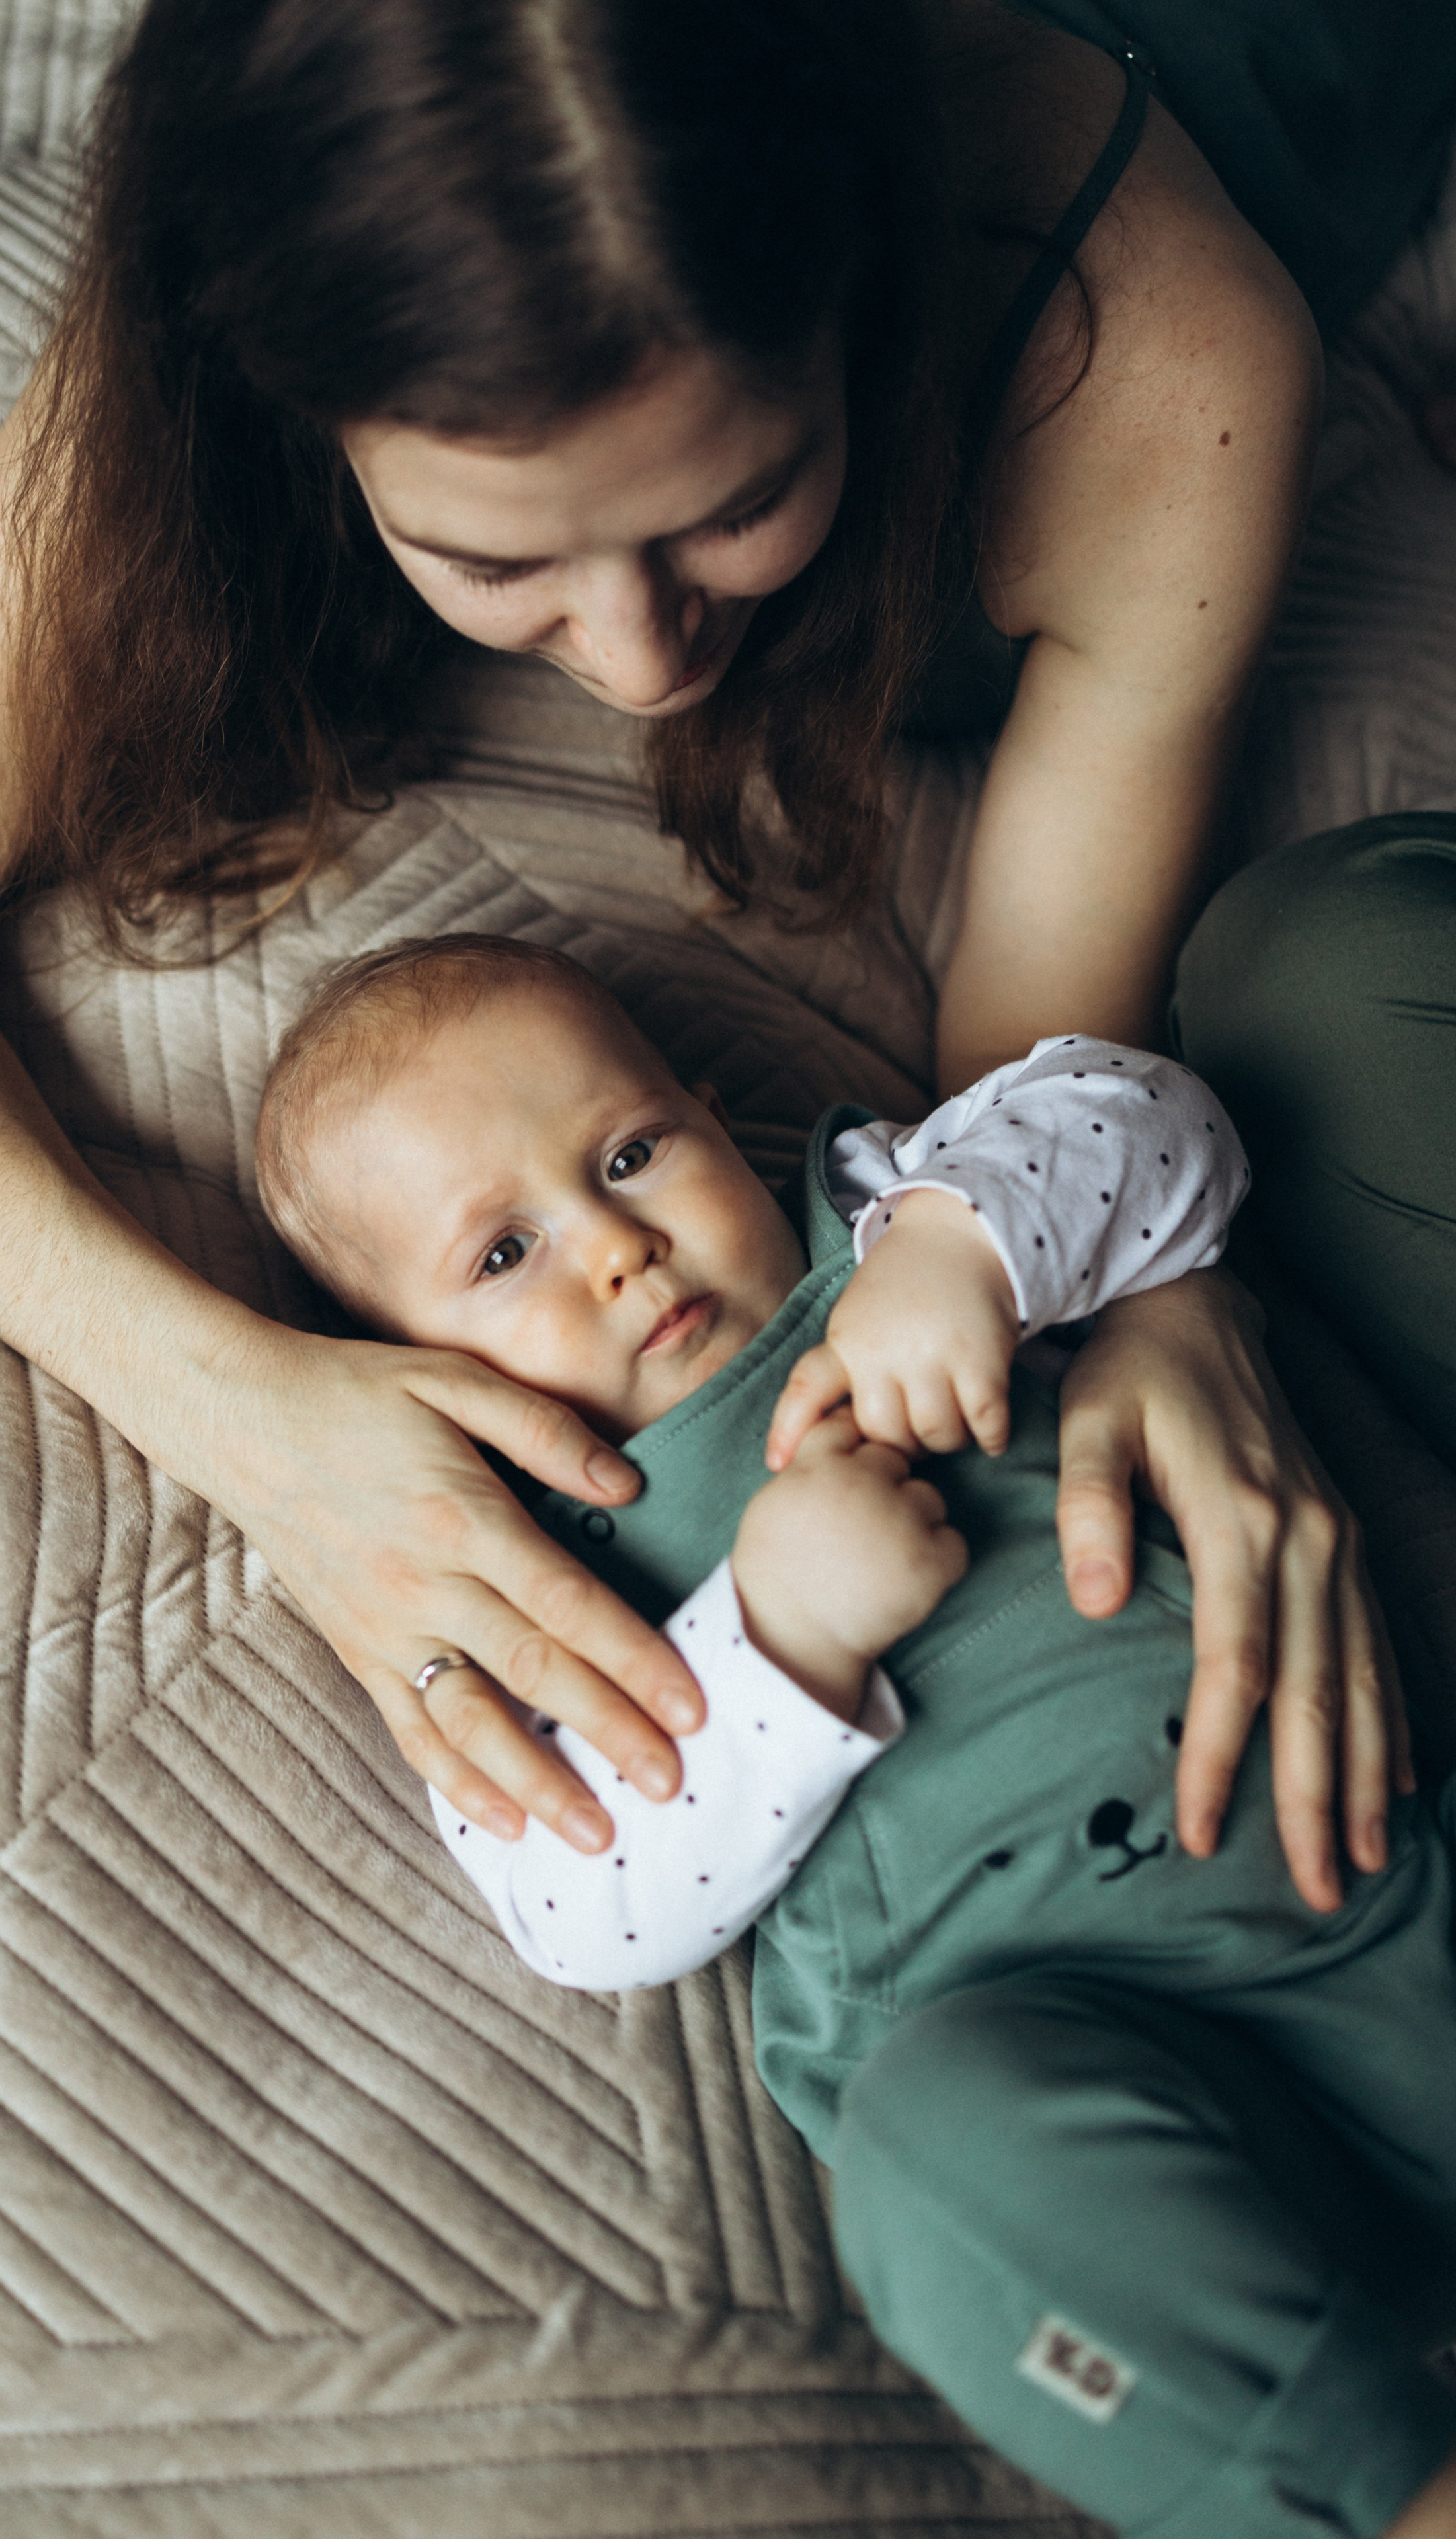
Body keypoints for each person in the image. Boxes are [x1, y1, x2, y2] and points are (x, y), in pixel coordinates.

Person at [0, 0, 1450, 1896]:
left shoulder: (1151, 352)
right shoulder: (316, 220)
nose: (643, 664)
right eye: (495, 561)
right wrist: (243, 1415)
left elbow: (1031, 1068)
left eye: (737, 505)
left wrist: (1153, 1279)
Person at [251, 931, 1456, 2539]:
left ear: (712, 1114)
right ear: (407, 1364)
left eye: (629, 1153)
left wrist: (959, 1249)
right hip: (1085, 2068)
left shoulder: (890, 1202)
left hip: (1388, 1885)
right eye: (502, 1255)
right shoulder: (504, 1559)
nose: (616, 1247)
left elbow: (1154, 1119)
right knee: (932, 2158)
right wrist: (783, 1640)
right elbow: (570, 1907)